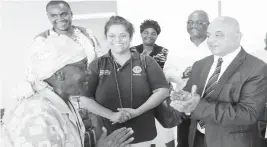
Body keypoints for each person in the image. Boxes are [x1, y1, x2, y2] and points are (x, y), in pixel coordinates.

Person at [171, 16, 267, 147]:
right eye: (209, 35)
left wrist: (197, 105)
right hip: (196, 139)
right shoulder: (200, 65)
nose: (211, 41)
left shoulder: (258, 69)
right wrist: (183, 101)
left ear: (237, 36)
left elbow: (248, 114)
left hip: (231, 142)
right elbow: (190, 98)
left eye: (218, 35)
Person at [2, 51, 134, 147]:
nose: (88, 72)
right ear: (59, 74)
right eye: (82, 67)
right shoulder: (36, 113)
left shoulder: (64, 102)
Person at [79, 16, 169, 147]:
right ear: (106, 37)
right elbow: (85, 98)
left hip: (142, 136)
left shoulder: (147, 62)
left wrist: (137, 111)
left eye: (123, 36)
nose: (117, 40)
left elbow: (163, 91)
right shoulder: (97, 65)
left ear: (130, 37)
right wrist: (112, 115)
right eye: (112, 36)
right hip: (109, 139)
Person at [163, 10, 211, 147]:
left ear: (209, 25)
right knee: (184, 142)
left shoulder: (215, 46)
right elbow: (166, 72)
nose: (193, 25)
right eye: (190, 22)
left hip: (210, 106)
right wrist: (182, 75)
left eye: (199, 22)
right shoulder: (177, 48)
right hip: (184, 108)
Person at [131, 19, 173, 147]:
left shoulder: (163, 52)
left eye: (153, 33)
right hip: (139, 96)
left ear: (157, 35)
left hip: (160, 95)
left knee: (165, 129)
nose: (149, 35)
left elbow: (168, 72)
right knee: (147, 130)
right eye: (146, 32)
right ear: (141, 33)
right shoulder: (132, 51)